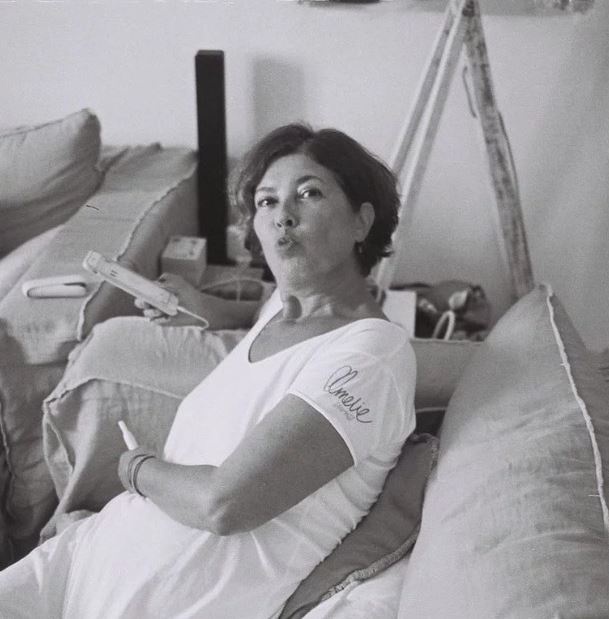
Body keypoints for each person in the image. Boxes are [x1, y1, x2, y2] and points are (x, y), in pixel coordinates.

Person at [0, 123, 416, 618]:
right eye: (266, 201)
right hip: (78, 562)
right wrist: (206, 308)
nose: (282, 216)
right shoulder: (283, 311)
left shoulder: (370, 356)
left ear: (361, 222)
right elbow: (271, 313)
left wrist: (135, 469)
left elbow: (224, 505)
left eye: (309, 194)